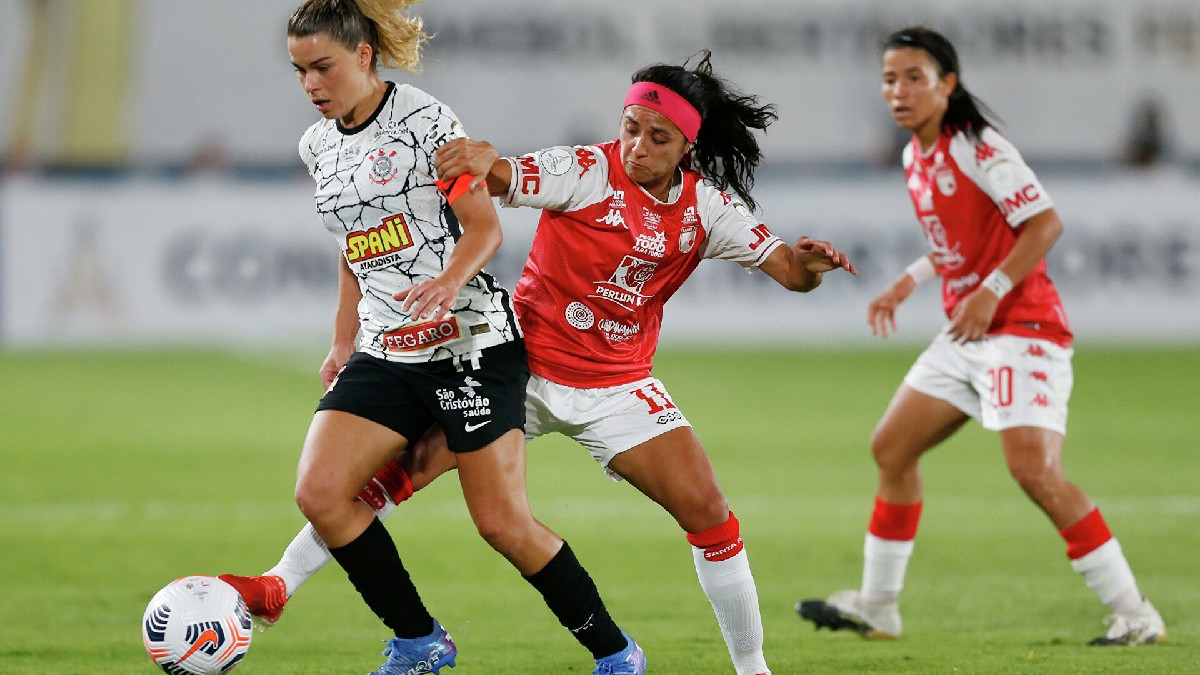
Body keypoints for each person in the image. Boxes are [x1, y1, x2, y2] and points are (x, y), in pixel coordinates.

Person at [222, 49, 856, 675]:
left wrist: (811, 267)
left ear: (685, 148)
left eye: (658, 138)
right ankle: (280, 585)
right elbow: (511, 177)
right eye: (630, 127)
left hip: (617, 387)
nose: (637, 146)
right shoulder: (586, 169)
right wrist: (482, 162)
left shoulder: (707, 211)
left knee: (711, 515)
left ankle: (753, 671)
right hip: (517, 369)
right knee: (401, 471)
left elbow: (790, 274)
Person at [268, 1, 646, 673]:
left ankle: (617, 653)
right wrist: (342, 338)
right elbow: (354, 246)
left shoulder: (425, 120)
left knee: (503, 525)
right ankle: (419, 641)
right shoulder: (316, 145)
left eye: (322, 67)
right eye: (300, 72)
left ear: (363, 56)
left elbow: (484, 229)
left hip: (470, 342)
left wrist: (448, 280)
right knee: (321, 492)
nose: (311, 85)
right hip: (389, 348)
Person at [795, 26, 1166, 647]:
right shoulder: (918, 156)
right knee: (891, 449)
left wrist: (991, 290)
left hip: (1024, 329)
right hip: (968, 331)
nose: (900, 90)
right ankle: (880, 605)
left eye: (915, 78)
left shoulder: (978, 144)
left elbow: (1044, 223)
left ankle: (1135, 613)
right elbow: (954, 245)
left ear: (948, 85)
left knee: (1035, 473)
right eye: (890, 79)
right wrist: (909, 282)